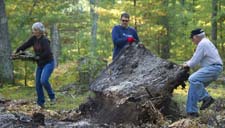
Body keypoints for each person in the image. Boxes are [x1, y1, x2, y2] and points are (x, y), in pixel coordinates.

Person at [183, 28, 223, 117]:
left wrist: (185, 65)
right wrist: (187, 63)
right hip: (214, 68)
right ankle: (192, 112)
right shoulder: (205, 42)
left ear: (196, 37)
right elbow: (194, 59)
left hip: (213, 68)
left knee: (193, 79)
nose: (192, 41)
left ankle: (207, 98)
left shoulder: (203, 44)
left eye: (192, 38)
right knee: (194, 87)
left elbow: (194, 62)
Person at [15, 22, 55, 108]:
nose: (33, 31)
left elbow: (48, 53)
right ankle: (40, 103)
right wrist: (17, 51)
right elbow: (25, 45)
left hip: (48, 63)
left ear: (40, 31)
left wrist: (38, 57)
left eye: (35, 30)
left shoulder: (44, 40)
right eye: (33, 29)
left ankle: (52, 97)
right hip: (40, 64)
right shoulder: (33, 39)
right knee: (37, 84)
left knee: (43, 80)